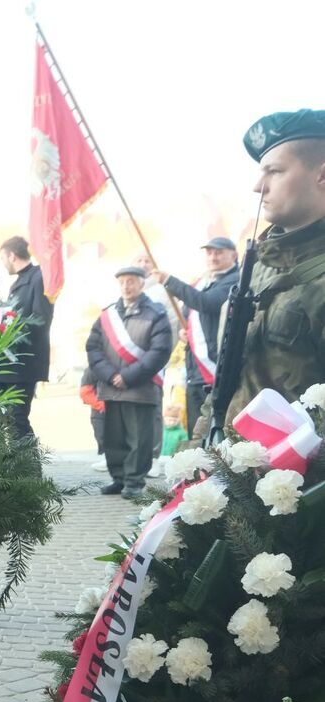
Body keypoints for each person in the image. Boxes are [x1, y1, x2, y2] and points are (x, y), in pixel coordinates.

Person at [222, 109, 325, 426]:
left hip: (303, 473)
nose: (258, 186)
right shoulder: (258, 265)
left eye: (274, 171)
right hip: (236, 464)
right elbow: (231, 375)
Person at [85, 266, 174, 499]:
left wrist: (128, 376)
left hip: (140, 388)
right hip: (110, 388)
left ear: (141, 283)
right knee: (113, 437)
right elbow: (93, 348)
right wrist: (110, 375)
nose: (126, 286)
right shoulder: (107, 315)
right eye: (122, 281)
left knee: (139, 439)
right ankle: (119, 478)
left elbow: (160, 351)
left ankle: (134, 481)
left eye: (131, 281)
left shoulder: (156, 313)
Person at [148, 237, 240, 433]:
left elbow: (206, 303)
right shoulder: (201, 282)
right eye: (209, 252)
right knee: (195, 430)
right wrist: (185, 330)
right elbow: (189, 310)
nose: (213, 257)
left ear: (233, 255)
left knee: (216, 430)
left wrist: (169, 281)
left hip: (217, 367)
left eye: (219, 252)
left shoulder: (234, 280)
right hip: (195, 370)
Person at [0, 235, 54, 440]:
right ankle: (22, 468)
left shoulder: (39, 277)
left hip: (24, 362)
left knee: (17, 419)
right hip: (13, 363)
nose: (3, 264)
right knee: (12, 420)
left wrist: (8, 323)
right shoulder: (21, 281)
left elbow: (40, 319)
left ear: (11, 255)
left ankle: (29, 470)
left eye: (2, 258)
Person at [79, 367, 107, 471]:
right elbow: (85, 392)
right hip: (100, 408)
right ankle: (108, 458)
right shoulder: (92, 369)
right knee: (101, 433)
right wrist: (101, 405)